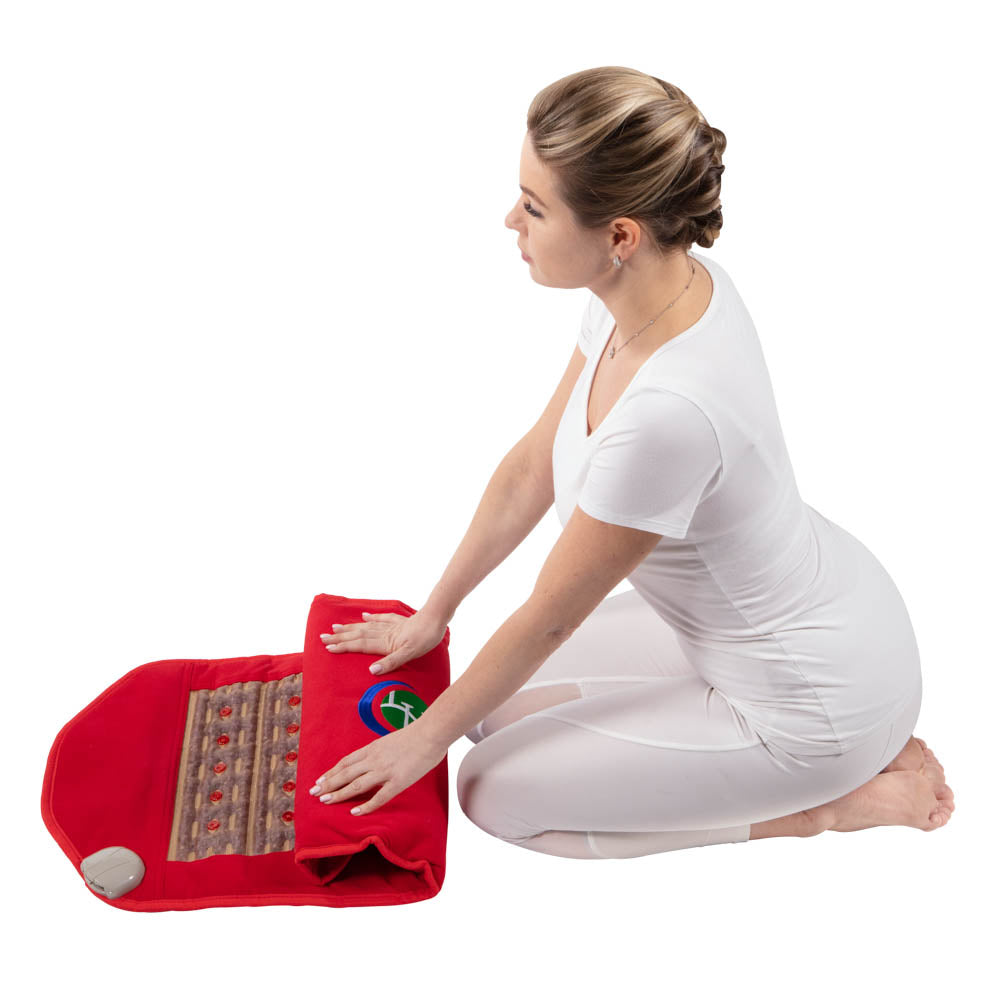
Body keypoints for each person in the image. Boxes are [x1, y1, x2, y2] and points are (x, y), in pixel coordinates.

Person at [319, 66, 954, 859]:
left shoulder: (670, 416)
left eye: (535, 206)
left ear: (619, 235)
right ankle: (809, 760)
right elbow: (530, 468)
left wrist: (420, 747)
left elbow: (552, 616)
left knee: (488, 792)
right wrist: (434, 612)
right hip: (785, 624)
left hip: (810, 705)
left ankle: (828, 806)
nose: (509, 219)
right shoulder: (652, 289)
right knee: (483, 712)